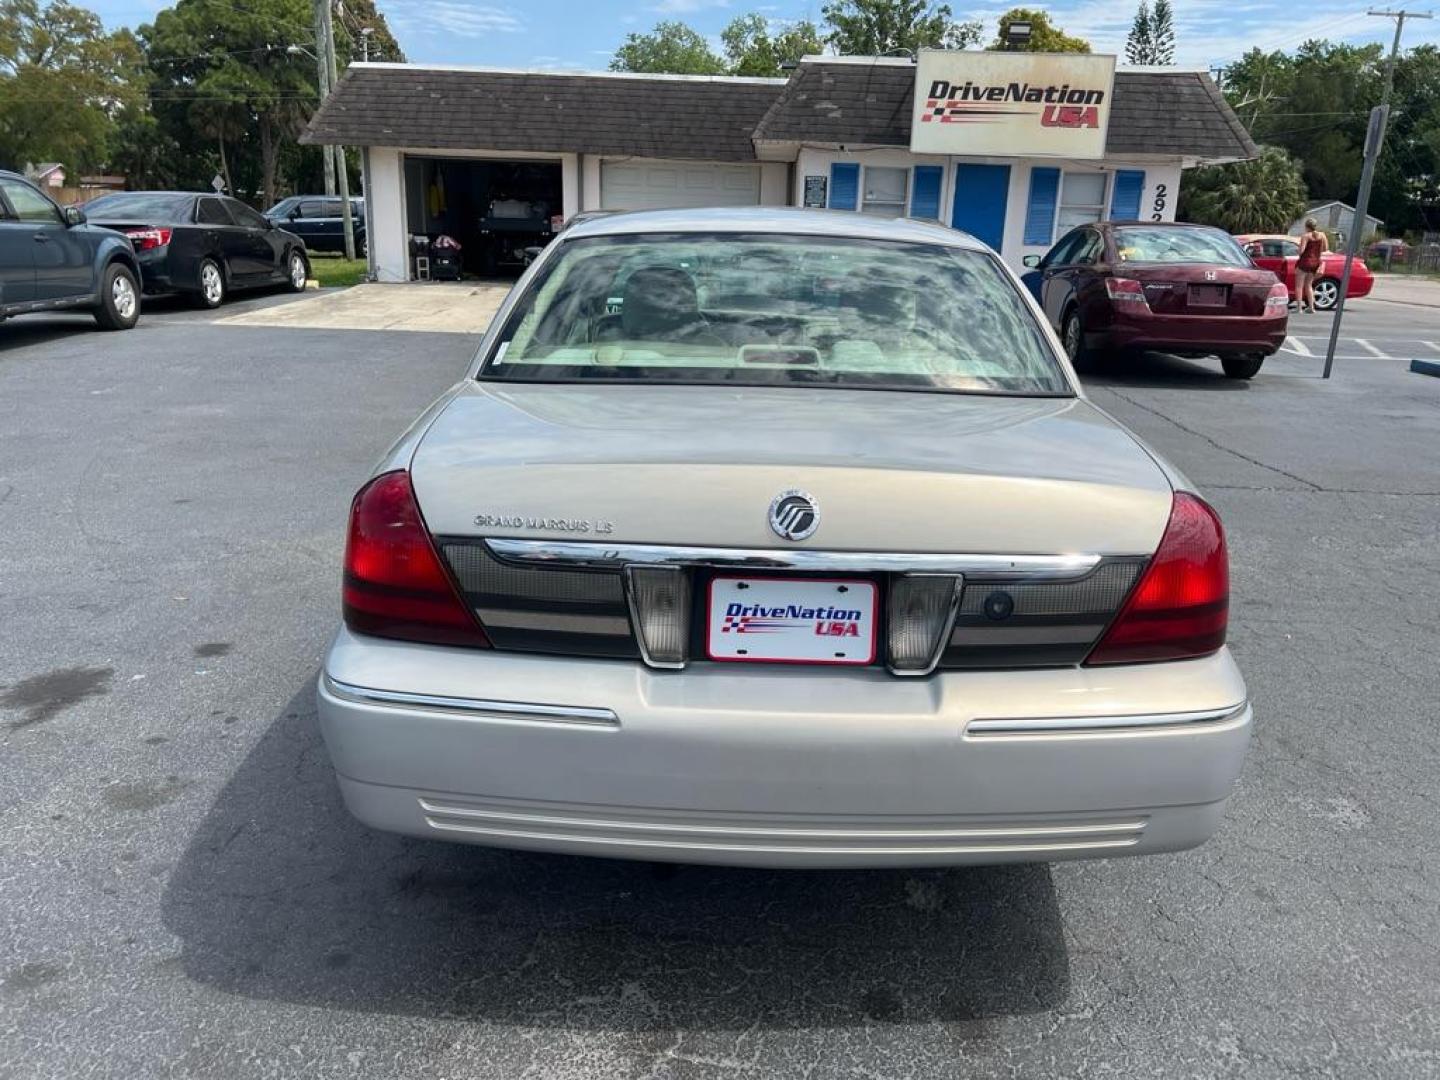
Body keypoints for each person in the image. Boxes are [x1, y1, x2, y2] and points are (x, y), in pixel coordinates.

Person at [1295, 218, 1328, 313]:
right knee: (1309, 285)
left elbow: (1301, 251)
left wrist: (1298, 250)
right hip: (1315, 262)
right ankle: (1311, 307)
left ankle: (1299, 308)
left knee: (1299, 286)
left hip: (1305, 262)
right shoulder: (1322, 235)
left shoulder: (1306, 236)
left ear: (1306, 226)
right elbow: (1325, 248)